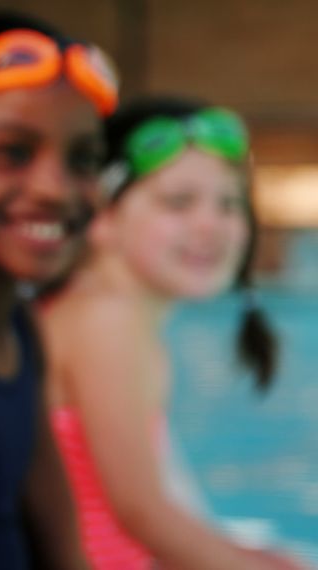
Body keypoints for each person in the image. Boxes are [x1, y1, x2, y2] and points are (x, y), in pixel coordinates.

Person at [40, 97, 303, 570]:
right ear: (102, 217)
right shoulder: (104, 318)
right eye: (178, 202)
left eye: (229, 203)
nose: (210, 224)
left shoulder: (119, 317)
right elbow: (142, 514)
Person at [0, 11, 114, 569]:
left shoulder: (19, 326)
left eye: (84, 159)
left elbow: (64, 545)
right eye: (12, 153)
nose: (55, 190)